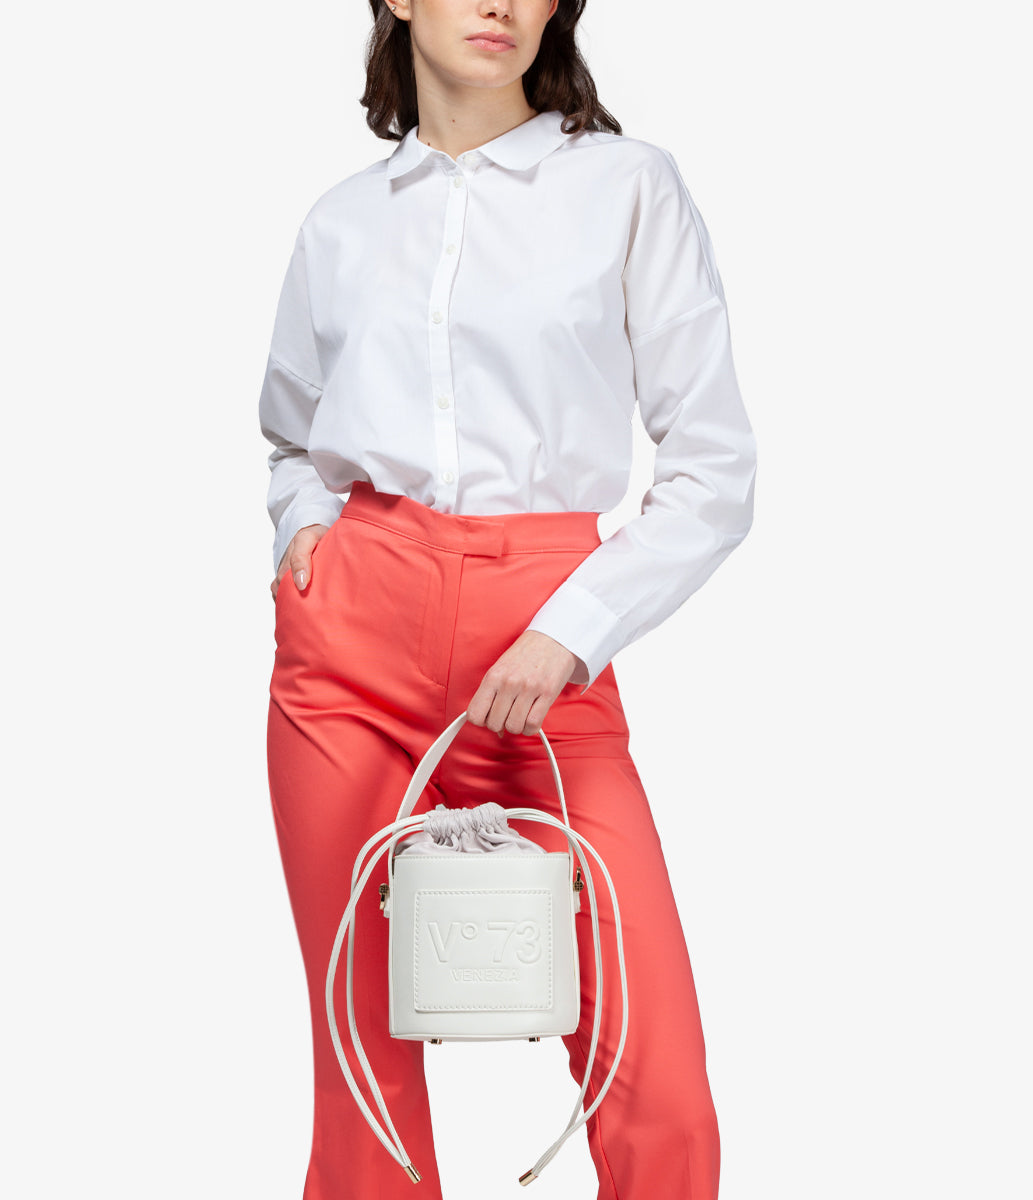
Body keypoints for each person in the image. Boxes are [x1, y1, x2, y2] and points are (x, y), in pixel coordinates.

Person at [259, 3, 757, 1197]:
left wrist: (569, 634)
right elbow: (291, 435)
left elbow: (714, 472)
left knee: (656, 1078)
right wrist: (303, 534)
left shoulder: (627, 187)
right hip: (348, 658)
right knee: (361, 1075)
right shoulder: (341, 222)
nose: (502, 4)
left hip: (545, 644)